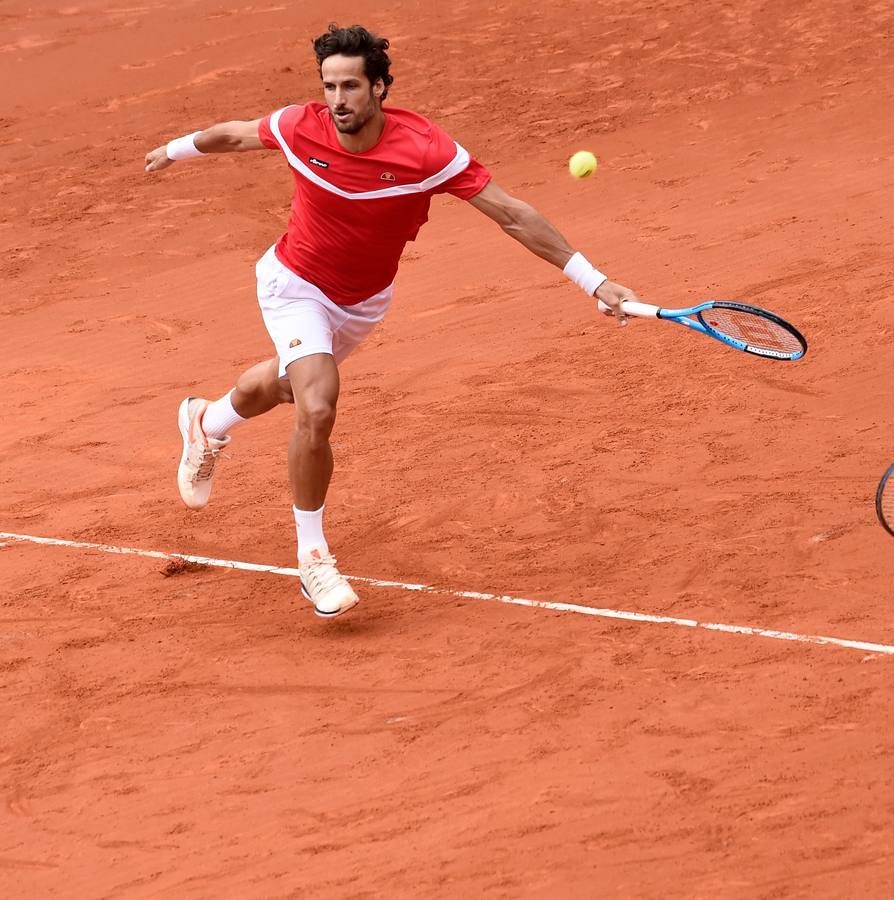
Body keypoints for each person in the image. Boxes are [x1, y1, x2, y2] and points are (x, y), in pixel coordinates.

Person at [144, 23, 637, 618]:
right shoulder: (304, 127)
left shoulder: (425, 149)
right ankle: (313, 559)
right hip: (292, 283)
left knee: (281, 385)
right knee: (317, 403)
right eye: (329, 86)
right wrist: (175, 150)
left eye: (351, 86)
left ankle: (206, 419)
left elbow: (510, 214)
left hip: (363, 302)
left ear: (380, 88)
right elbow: (235, 135)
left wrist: (593, 280)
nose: (338, 100)